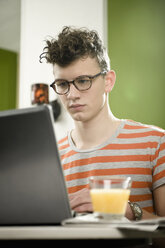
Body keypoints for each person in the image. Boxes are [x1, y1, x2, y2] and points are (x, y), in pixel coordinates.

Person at [40, 26, 165, 221]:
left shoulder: (156, 143)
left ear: (108, 81)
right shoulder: (51, 158)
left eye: (83, 81)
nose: (72, 95)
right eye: (63, 84)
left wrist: (130, 212)